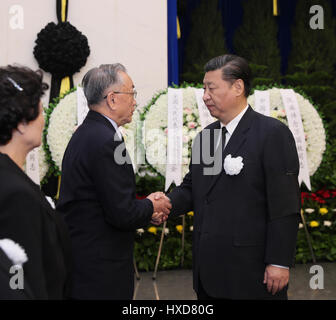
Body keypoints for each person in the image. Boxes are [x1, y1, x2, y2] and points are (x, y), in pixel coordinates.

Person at [161, 54, 300, 299]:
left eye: (211, 88)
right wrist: (164, 205)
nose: (204, 96)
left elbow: (285, 204)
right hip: (209, 272)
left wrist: (279, 261)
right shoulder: (206, 137)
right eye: (203, 88)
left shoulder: (271, 134)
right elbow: (193, 189)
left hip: (251, 271)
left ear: (238, 87)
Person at [57, 64, 171, 300]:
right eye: (132, 94)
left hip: (84, 260)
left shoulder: (88, 133)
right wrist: (152, 206)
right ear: (112, 99)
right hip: (99, 270)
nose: (135, 102)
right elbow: (122, 212)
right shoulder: (104, 140)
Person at [0, 65, 72, 299]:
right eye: (41, 112)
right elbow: (21, 279)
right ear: (22, 123)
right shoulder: (15, 194)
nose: (43, 121)